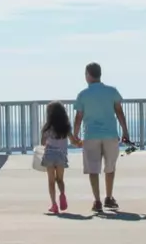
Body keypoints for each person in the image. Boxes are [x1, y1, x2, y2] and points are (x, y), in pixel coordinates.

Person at [71, 61, 129, 214]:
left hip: (91, 135)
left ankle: (97, 201)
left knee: (93, 169)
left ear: (88, 75)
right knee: (110, 167)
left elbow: (79, 116)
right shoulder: (112, 91)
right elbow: (119, 112)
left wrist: (75, 134)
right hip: (110, 134)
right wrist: (125, 131)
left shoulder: (83, 95)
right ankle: (109, 197)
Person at [39, 100, 72, 215]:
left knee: (51, 181)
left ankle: (54, 204)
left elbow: (43, 143)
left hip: (49, 155)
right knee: (60, 179)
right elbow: (73, 140)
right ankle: (62, 194)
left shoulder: (47, 128)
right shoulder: (66, 127)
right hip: (61, 156)